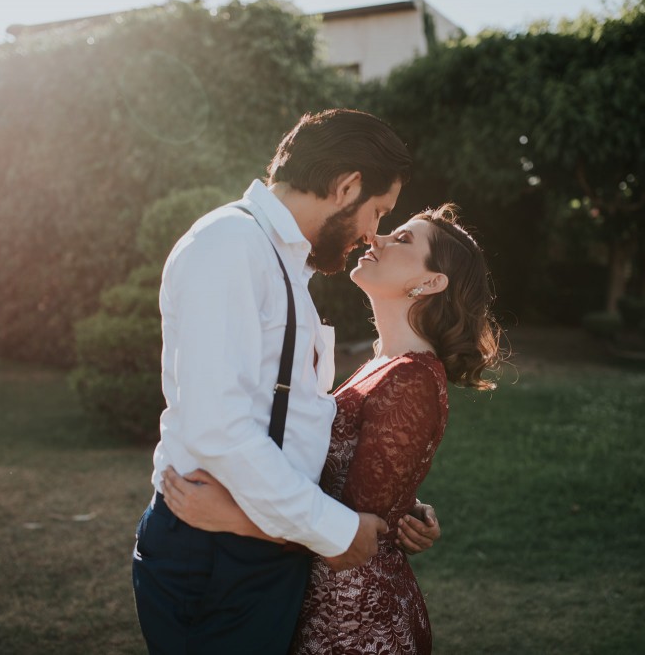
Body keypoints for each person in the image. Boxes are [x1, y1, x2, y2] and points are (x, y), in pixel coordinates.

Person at [131, 109, 441, 655]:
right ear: (346, 186)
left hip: (256, 538)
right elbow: (219, 430)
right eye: (378, 210)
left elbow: (293, 418)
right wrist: (334, 529)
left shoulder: (280, 259)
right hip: (217, 554)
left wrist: (395, 508)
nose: (373, 233)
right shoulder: (230, 246)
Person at [161, 204, 501, 654]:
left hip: (354, 625)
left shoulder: (413, 379)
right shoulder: (384, 365)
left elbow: (356, 532)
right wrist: (405, 506)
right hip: (322, 602)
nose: (375, 238)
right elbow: (354, 489)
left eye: (402, 240)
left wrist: (232, 519)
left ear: (431, 282)